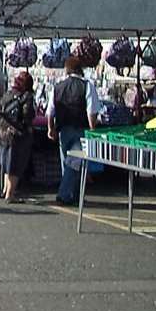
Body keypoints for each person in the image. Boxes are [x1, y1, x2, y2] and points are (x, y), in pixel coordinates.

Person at [47, 56, 101, 206]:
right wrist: (93, 129)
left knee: (68, 163)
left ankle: (74, 195)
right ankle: (64, 194)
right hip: (80, 129)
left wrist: (50, 128)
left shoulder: (58, 87)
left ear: (67, 69)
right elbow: (91, 111)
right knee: (76, 163)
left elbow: (50, 111)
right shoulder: (87, 86)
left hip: (63, 129)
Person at [0, 71, 36, 204]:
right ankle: (10, 194)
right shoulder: (27, 96)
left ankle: (6, 190)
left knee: (6, 162)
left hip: (2, 131)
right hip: (17, 134)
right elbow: (27, 115)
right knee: (16, 165)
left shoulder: (8, 94)